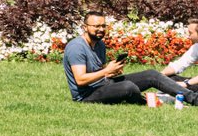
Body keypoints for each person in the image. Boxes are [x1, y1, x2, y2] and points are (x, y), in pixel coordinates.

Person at [63, 13, 192, 104]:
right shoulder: (76, 47)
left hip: (104, 83)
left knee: (152, 74)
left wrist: (112, 70)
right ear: (85, 27)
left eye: (103, 26)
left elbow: (98, 69)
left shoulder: (99, 44)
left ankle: (193, 98)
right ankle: (150, 102)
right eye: (96, 26)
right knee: (128, 87)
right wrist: (106, 72)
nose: (101, 29)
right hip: (87, 95)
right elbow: (80, 80)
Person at [159, 20, 198, 89]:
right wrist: (160, 75)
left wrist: (186, 83)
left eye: (190, 33)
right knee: (167, 78)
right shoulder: (196, 47)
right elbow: (180, 64)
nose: (188, 36)